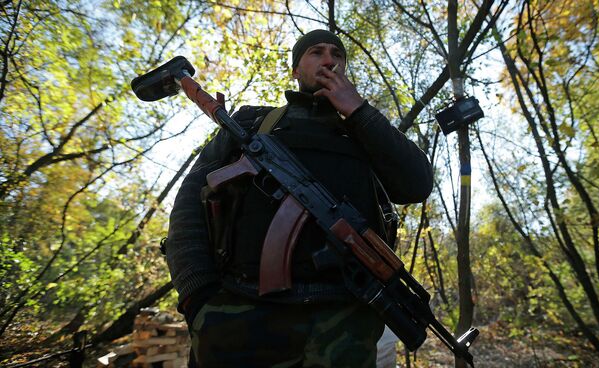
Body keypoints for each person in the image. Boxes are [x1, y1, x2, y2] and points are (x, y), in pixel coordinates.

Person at [165, 29, 433, 367]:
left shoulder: (365, 134)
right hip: (239, 314)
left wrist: (358, 109)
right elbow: (191, 198)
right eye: (316, 52)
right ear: (295, 69)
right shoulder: (252, 122)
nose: (329, 60)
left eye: (337, 54)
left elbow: (417, 185)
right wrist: (196, 293)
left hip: (345, 325)